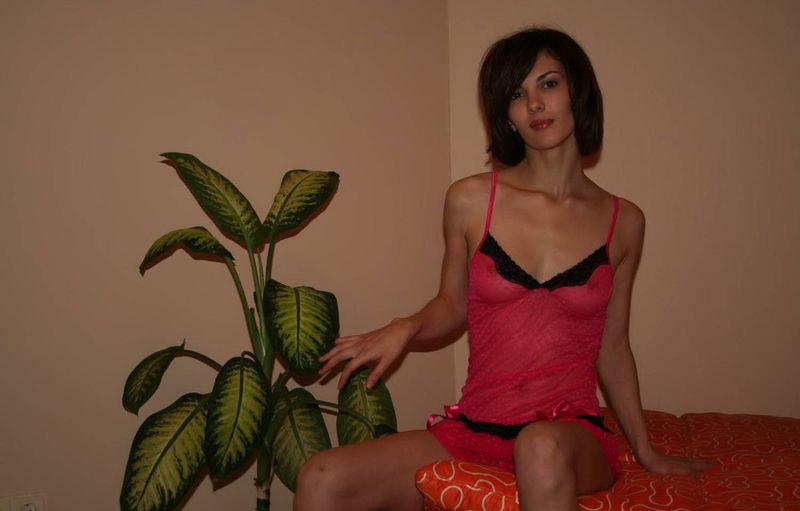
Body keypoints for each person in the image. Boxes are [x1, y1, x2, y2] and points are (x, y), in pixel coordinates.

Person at [295, 26, 715, 511]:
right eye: (517, 94)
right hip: (475, 427)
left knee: (538, 445)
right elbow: (452, 307)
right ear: (508, 117)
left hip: (568, 436)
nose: (534, 103)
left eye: (548, 84)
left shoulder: (624, 222)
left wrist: (646, 450)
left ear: (578, 93)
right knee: (321, 477)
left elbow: (613, 346)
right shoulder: (472, 200)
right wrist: (403, 328)